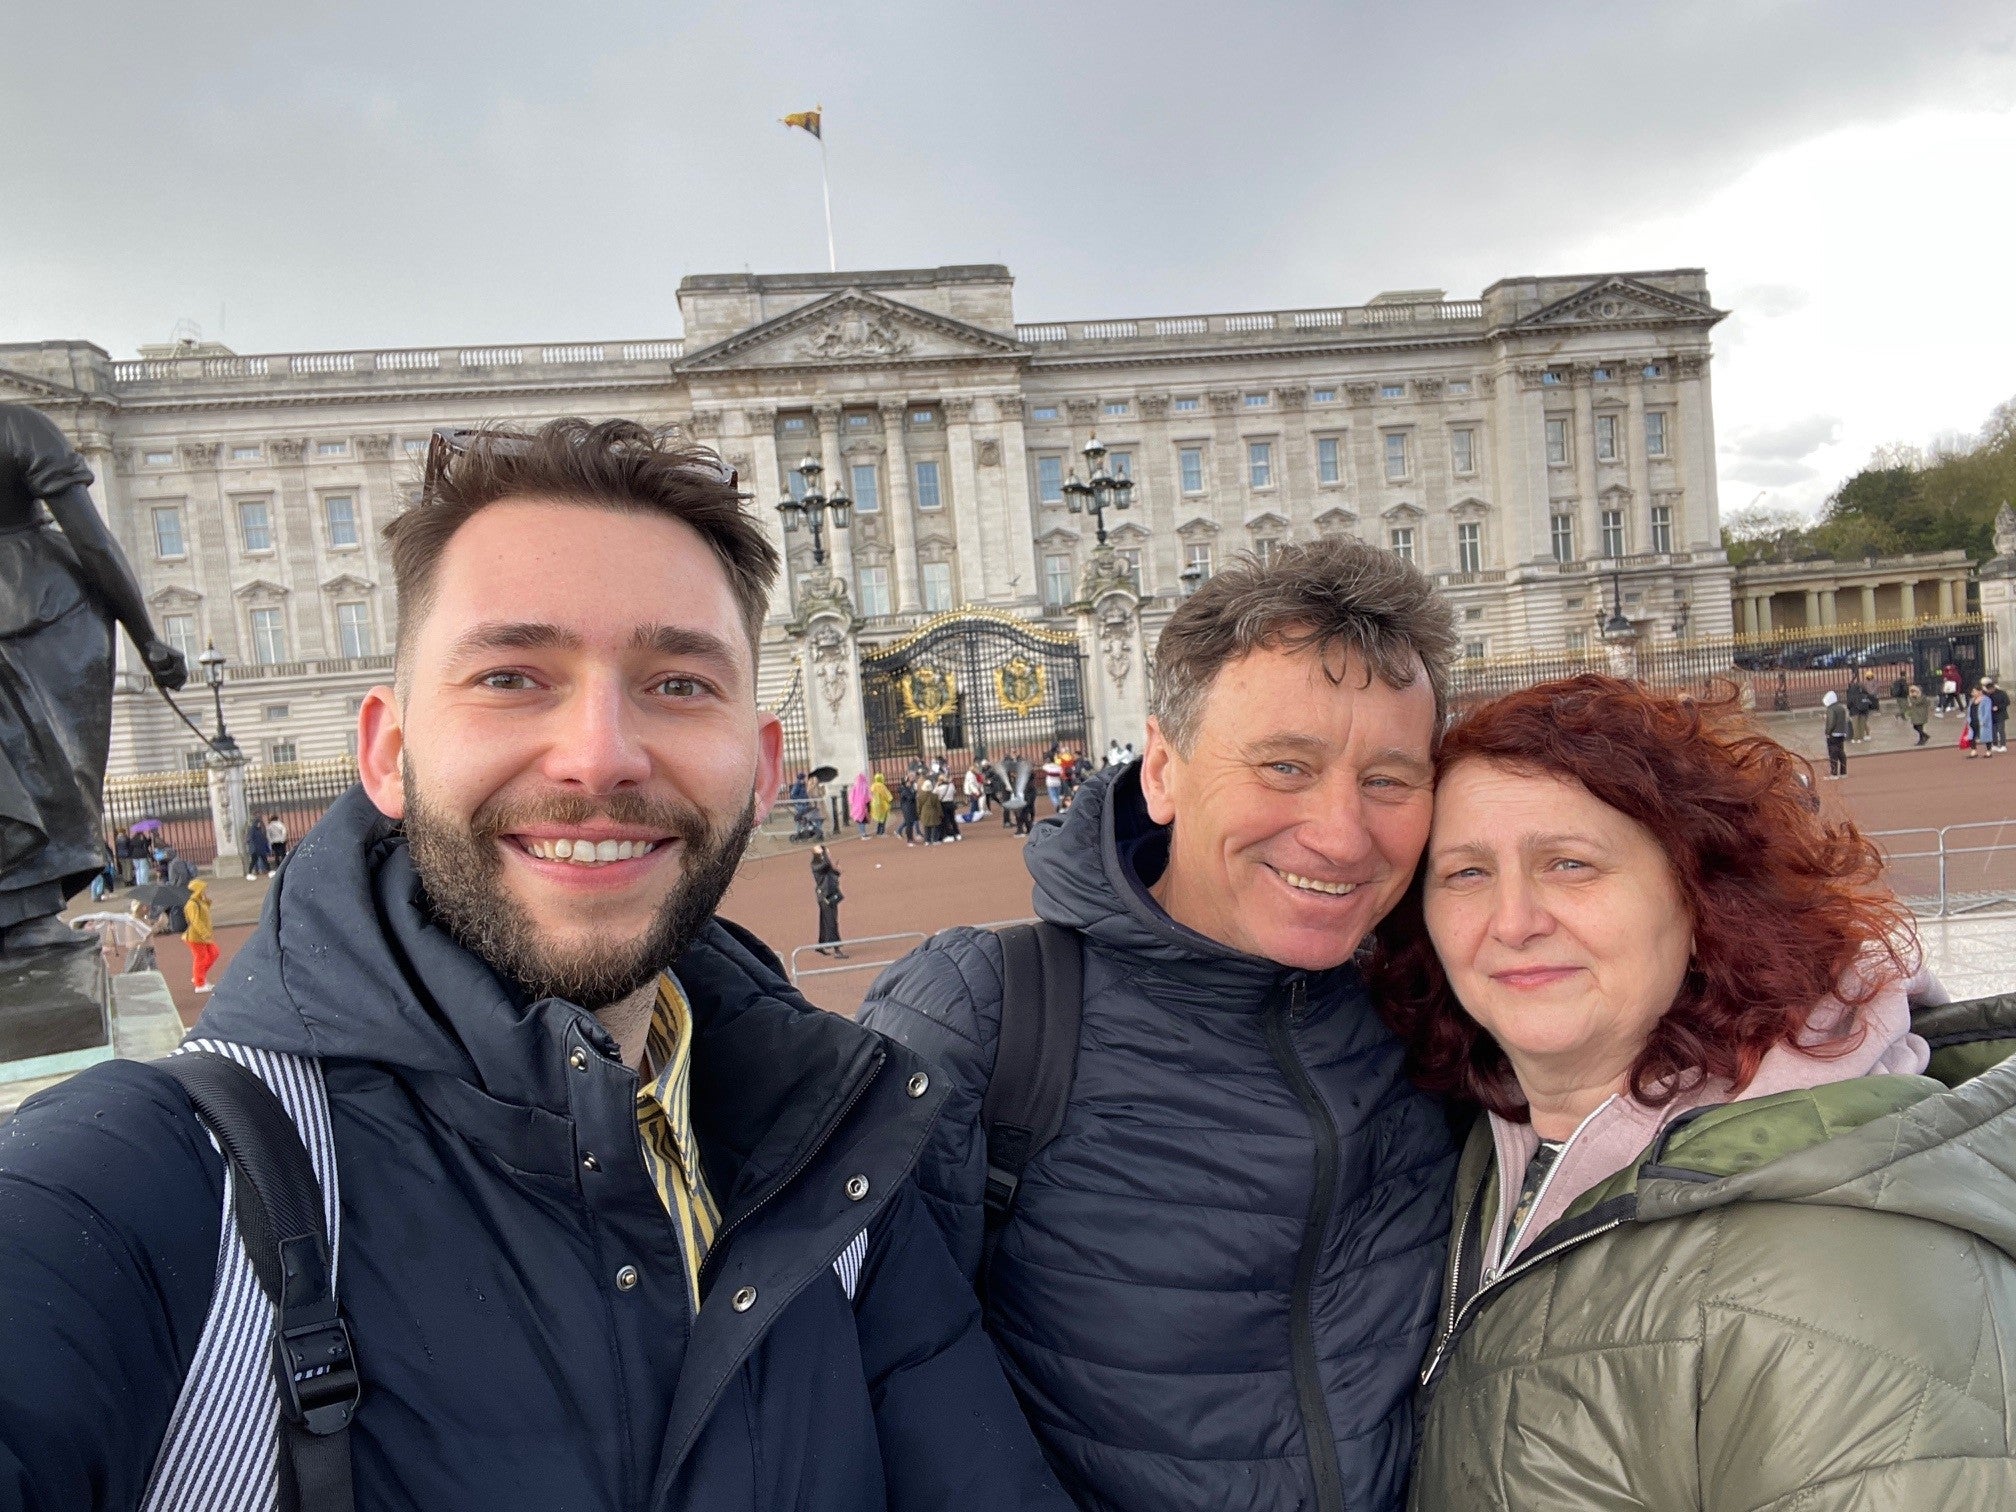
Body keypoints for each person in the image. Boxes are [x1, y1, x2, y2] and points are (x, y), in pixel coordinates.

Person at [0, 419, 1069, 1510]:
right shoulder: (137, 1191)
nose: (598, 756)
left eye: (679, 684)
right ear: (387, 753)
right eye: (511, 676)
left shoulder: (840, 1156)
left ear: (761, 770)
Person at [861, 538, 1460, 1512]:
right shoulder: (980, 1017)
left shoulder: (1436, 1007)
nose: (1342, 834)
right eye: (1284, 766)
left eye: (1389, 779)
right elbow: (874, 1394)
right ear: (1163, 772)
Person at [1372, 674, 2016, 1509]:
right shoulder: (1483, 1148)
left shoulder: (1835, 1279)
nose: (1514, 919)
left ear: (1701, 896)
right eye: (1465, 873)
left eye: (1569, 864)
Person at [182, 876, 217, 995]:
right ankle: (199, 983)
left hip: (202, 936)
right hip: (195, 936)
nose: (204, 891)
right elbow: (196, 921)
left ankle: (199, 975)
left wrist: (206, 900)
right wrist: (205, 933)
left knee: (214, 953)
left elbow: (205, 911)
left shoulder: (199, 901)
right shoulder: (192, 904)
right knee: (201, 958)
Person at [810, 845, 846, 958]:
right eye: (827, 853)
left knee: (825, 921)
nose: (829, 855)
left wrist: (838, 871)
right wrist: (823, 854)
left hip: (830, 894)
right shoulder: (816, 864)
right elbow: (825, 866)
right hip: (825, 897)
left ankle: (821, 945)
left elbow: (832, 875)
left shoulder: (824, 865)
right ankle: (837, 949)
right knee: (831, 922)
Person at [1822, 688, 1849, 778]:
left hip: (1833, 734)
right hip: (1841, 733)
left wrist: (1827, 732)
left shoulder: (1831, 709)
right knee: (1841, 753)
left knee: (1833, 754)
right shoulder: (1841, 708)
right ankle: (1843, 772)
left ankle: (1834, 773)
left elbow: (1831, 722)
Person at [1967, 681, 1996, 758]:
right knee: (1971, 736)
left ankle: (1988, 751)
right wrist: (1968, 719)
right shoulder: (1972, 700)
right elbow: (1969, 710)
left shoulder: (1986, 700)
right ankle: (1974, 751)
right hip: (1972, 721)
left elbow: (1987, 712)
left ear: (1979, 691)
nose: (1973, 693)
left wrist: (1984, 721)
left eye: (1974, 691)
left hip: (1982, 721)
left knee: (1986, 737)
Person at [915, 775, 944, 845]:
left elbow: (919, 806)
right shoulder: (934, 795)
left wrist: (919, 813)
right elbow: (938, 806)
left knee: (926, 827)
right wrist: (940, 813)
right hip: (933, 812)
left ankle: (927, 841)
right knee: (934, 826)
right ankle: (934, 840)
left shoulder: (920, 796)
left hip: (924, 813)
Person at [243, 813, 273, 879]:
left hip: (260, 848)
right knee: (254, 861)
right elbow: (251, 839)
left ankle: (269, 871)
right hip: (255, 849)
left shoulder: (259, 830)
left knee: (264, 860)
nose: (259, 824)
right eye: (258, 823)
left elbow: (262, 838)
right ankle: (250, 872)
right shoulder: (252, 830)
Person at [897, 773, 920, 846]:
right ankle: (909, 840)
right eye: (908, 782)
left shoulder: (908, 788)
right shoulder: (904, 790)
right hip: (907, 809)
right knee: (909, 824)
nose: (910, 783)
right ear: (905, 783)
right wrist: (915, 794)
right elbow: (910, 798)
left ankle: (911, 838)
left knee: (911, 824)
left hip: (911, 808)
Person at [1989, 675, 2010, 752]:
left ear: (1993, 687)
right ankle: (1994, 745)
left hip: (2001, 714)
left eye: (1990, 689)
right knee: (1993, 731)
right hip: (1992, 715)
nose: (1990, 691)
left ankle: (2003, 745)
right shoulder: (1988, 694)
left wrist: (1998, 707)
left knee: (2001, 730)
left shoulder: (2002, 693)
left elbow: (2007, 702)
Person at [848, 771, 871, 840]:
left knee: (859, 820)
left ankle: (863, 833)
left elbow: (851, 797)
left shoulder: (854, 787)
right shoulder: (865, 787)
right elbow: (867, 797)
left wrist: (852, 804)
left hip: (856, 806)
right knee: (863, 820)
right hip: (863, 806)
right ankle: (863, 834)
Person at [868, 770, 892, 836]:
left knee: (879, 819)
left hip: (875, 805)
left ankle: (878, 832)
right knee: (883, 819)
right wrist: (889, 800)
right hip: (882, 804)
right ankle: (882, 832)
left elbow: (870, 794)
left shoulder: (873, 786)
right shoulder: (882, 786)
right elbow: (887, 795)